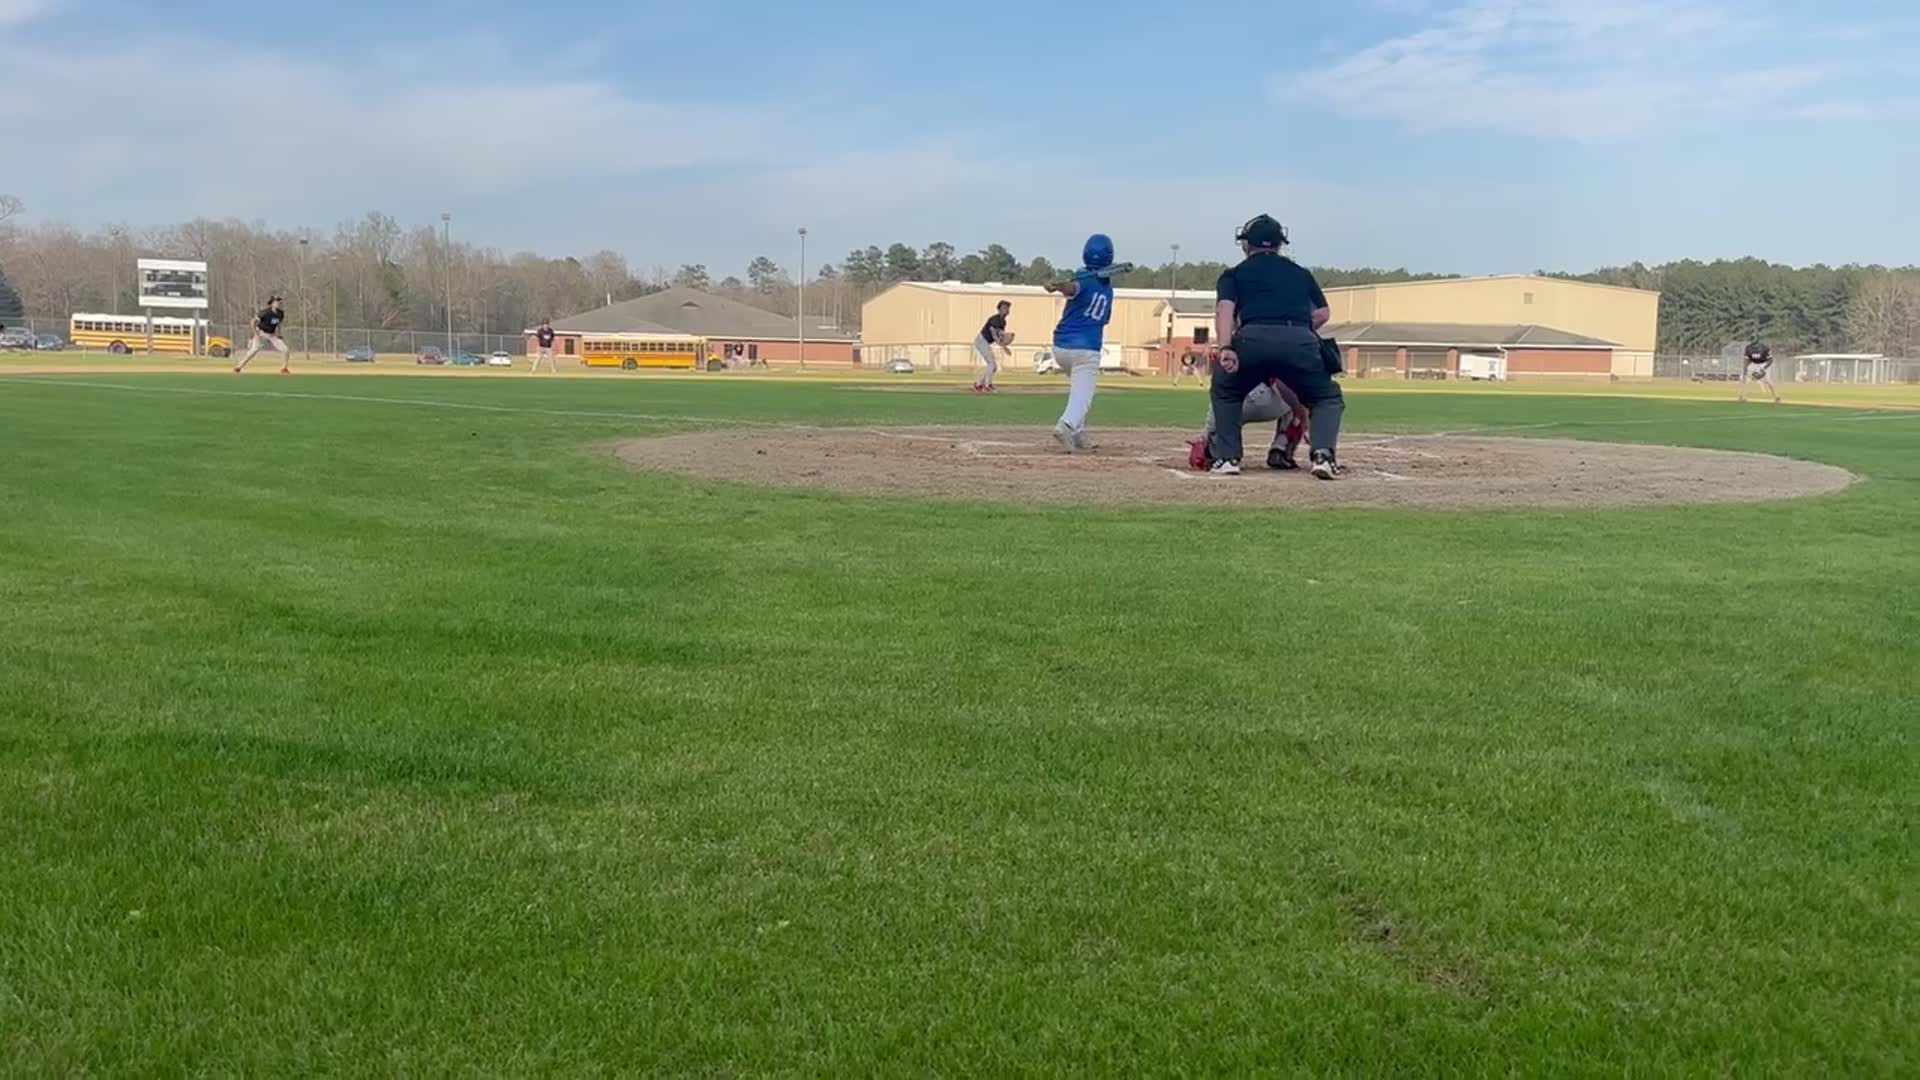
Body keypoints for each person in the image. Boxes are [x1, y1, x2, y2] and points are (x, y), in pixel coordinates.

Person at [1208, 215, 1344, 479]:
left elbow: (1225, 310)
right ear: (1280, 244)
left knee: (1227, 391)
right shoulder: (1301, 273)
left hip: (1252, 338)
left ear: (1247, 244)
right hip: (1299, 339)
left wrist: (1226, 346)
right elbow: (1323, 313)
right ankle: (1323, 456)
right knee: (1326, 397)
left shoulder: (1233, 274)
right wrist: (1300, 330)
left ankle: (1227, 458)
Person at [1044, 234, 1118, 451]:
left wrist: (1059, 286)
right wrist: (1062, 286)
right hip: (1086, 349)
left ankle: (1078, 433)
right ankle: (1066, 425)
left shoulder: (1082, 278)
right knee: (1083, 396)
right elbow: (1104, 317)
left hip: (1060, 347)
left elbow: (1072, 288)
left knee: (1079, 390)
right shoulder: (1107, 289)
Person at [1188, 378, 1308, 471]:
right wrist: (1302, 417)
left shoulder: (1233, 357)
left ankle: (1223, 455)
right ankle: (1281, 451)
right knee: (1298, 399)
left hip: (1243, 399)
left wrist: (1204, 435)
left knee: (1224, 404)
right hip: (1272, 399)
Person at [234, 295, 289, 374]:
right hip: (261, 332)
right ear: (272, 303)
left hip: (272, 335)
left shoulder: (281, 313)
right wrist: (255, 333)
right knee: (254, 350)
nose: (278, 303)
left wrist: (278, 334)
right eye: (276, 301)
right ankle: (238, 367)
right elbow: (253, 322)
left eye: (279, 301)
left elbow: (277, 324)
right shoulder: (265, 312)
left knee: (285, 349)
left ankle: (284, 368)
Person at [973, 300, 1013, 393]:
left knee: (993, 366)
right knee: (992, 364)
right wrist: (1004, 347)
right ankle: (987, 386)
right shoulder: (995, 319)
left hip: (985, 342)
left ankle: (979, 385)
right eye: (1004, 308)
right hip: (981, 340)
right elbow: (994, 335)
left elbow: (1000, 335)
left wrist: (1006, 338)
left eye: (1007, 308)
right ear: (999, 309)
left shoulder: (1003, 322)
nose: (1006, 310)